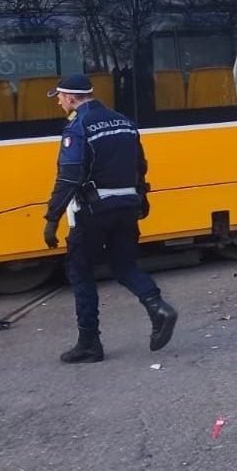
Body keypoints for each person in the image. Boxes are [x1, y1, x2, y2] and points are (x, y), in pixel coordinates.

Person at [40, 74, 176, 364]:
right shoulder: (123, 121)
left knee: (80, 271)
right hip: (127, 206)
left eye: (61, 97)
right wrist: (142, 199)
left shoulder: (78, 127)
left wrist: (52, 218)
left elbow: (70, 175)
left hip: (93, 211)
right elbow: (140, 166)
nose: (60, 103)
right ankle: (159, 307)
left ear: (73, 97)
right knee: (124, 265)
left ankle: (89, 343)